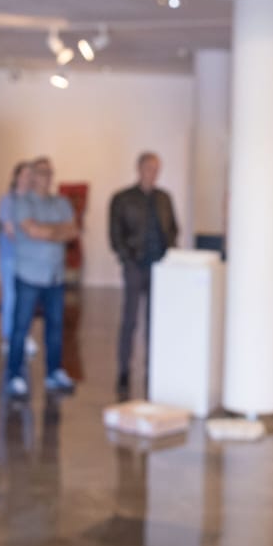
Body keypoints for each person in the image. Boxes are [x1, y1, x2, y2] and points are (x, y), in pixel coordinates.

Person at [5, 157, 79, 400]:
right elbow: (32, 230)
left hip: (55, 277)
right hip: (29, 275)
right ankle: (14, 374)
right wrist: (56, 230)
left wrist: (47, 230)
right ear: (33, 176)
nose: (46, 177)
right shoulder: (22, 202)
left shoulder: (62, 202)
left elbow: (72, 231)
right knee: (21, 327)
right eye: (41, 172)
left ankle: (53, 372)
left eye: (49, 172)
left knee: (55, 328)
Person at [108, 152, 179, 399]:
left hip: (159, 266)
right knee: (130, 319)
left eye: (156, 169)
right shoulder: (122, 198)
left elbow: (173, 228)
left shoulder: (164, 198)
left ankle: (152, 368)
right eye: (149, 168)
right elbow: (115, 234)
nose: (153, 173)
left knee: (154, 320)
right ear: (139, 169)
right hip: (135, 265)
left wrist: (170, 254)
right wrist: (127, 258)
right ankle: (124, 370)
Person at [0, 162, 37, 359]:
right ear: (17, 176)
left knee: (28, 299)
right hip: (10, 257)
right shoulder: (7, 200)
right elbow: (10, 230)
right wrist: (33, 235)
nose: (28, 178)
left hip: (31, 259)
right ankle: (8, 338)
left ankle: (24, 336)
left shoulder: (34, 201)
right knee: (10, 297)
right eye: (24, 174)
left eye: (31, 175)